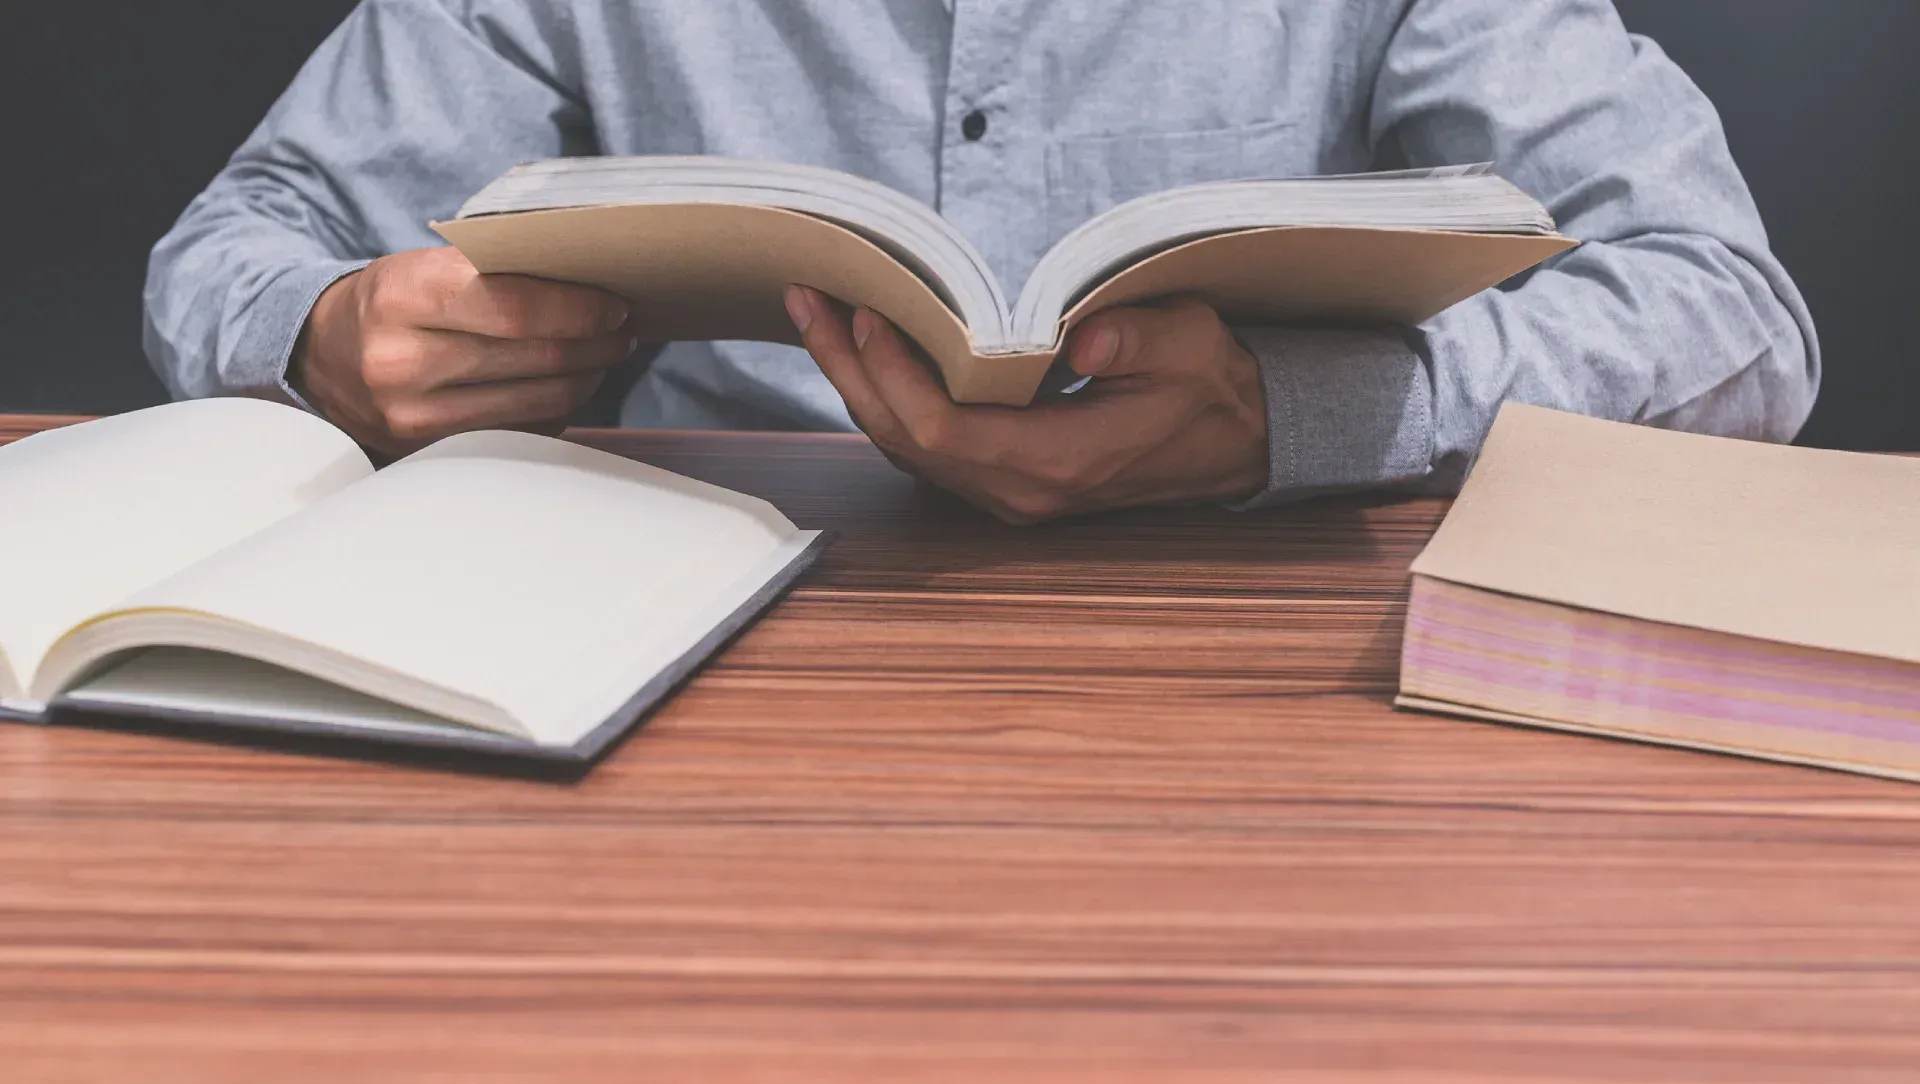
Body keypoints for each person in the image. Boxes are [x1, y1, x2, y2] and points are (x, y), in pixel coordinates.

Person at [145, 0, 1818, 524]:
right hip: (702, 611)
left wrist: (1311, 411)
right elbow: (237, 242)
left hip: (1275, 665)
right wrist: (325, 335)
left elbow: (1736, 315)